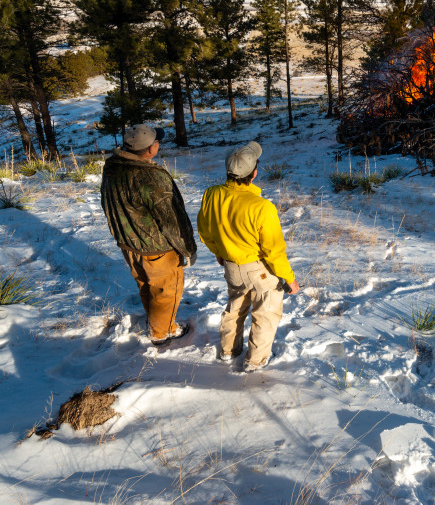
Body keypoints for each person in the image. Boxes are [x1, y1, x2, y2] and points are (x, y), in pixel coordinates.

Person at [197, 141, 300, 372]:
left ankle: (227, 351)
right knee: (265, 314)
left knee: (235, 308)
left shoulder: (211, 194)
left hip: (231, 267)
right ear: (254, 173)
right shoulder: (262, 207)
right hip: (260, 271)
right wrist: (289, 278)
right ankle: (255, 361)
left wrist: (220, 253)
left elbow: (205, 231)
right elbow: (274, 251)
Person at [100, 124, 197, 345]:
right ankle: (162, 333)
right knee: (166, 291)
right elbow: (172, 219)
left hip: (129, 243)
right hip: (157, 247)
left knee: (145, 284)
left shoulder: (112, 166)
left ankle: (156, 322)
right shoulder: (151, 176)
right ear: (151, 148)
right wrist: (188, 249)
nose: (158, 144)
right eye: (156, 141)